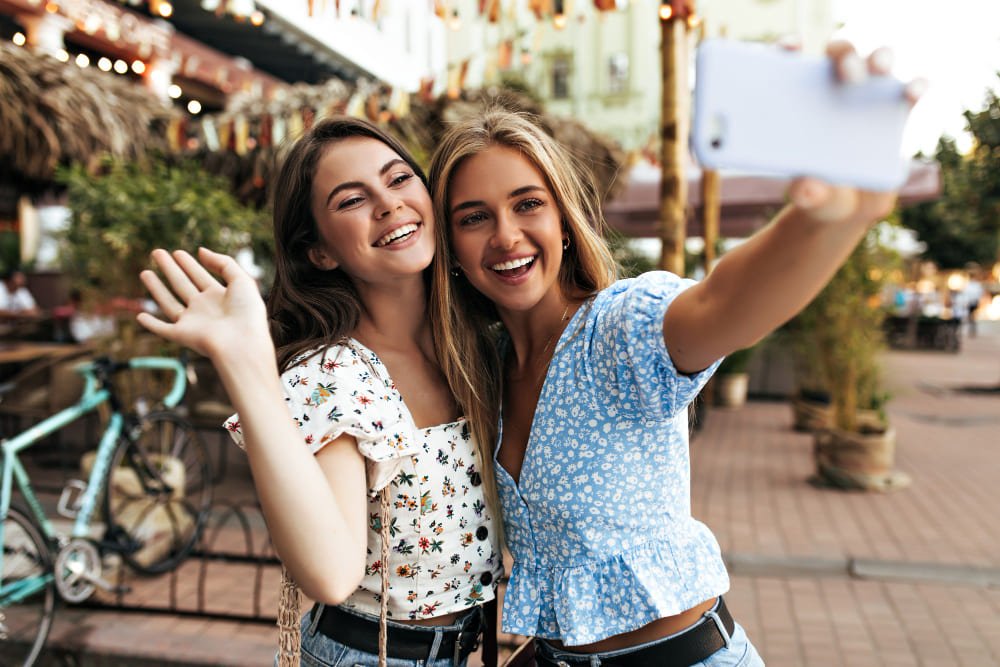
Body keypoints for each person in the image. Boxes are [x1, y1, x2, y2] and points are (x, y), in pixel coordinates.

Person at [426, 44, 921, 666]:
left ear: (563, 218)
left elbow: (725, 305)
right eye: (474, 218)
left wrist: (827, 217)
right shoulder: (484, 371)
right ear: (451, 248)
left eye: (528, 204)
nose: (505, 235)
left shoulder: (618, 328)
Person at [136, 117, 503, 667]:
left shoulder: (476, 345)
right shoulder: (332, 376)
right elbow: (331, 573)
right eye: (352, 200)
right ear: (321, 252)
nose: (388, 204)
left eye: (399, 179)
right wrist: (245, 361)